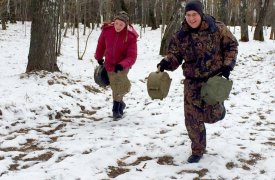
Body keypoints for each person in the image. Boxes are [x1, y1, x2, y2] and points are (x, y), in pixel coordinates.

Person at [157, 0, 238, 163]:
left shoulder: (217, 28)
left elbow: (231, 46)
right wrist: (167, 62)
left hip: (213, 80)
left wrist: (228, 66)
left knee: (212, 115)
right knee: (192, 118)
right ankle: (198, 150)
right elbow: (175, 56)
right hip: (192, 82)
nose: (191, 18)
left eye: (194, 14)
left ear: (201, 14)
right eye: (188, 15)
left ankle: (219, 111)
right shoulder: (181, 35)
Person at [94, 11, 138, 120]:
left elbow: (132, 56)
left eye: (121, 25)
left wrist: (122, 65)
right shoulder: (107, 30)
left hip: (122, 65)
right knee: (115, 86)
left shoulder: (131, 36)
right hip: (109, 63)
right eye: (116, 23)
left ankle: (116, 110)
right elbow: (101, 44)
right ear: (114, 21)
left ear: (126, 25)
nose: (118, 26)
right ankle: (121, 104)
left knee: (117, 84)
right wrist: (99, 57)